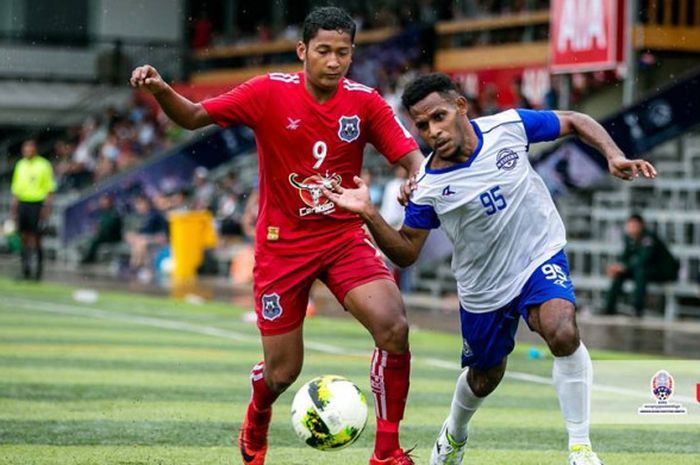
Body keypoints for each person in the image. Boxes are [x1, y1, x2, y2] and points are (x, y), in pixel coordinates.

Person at [129, 7, 424, 465]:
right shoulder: (268, 91)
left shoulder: (365, 102)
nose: (333, 62)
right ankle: (258, 409)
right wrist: (161, 88)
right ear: (302, 51)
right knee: (284, 371)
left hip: (343, 237)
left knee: (394, 327)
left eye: (343, 53)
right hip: (282, 247)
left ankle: (386, 452)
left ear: (352, 54)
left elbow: (412, 157)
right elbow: (191, 117)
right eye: (323, 51)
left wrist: (413, 178)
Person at [321, 73, 657, 465]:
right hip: (483, 287)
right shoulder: (427, 186)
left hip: (538, 254)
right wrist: (369, 213)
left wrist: (612, 154)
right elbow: (407, 253)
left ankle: (580, 448)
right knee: (485, 376)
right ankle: (455, 432)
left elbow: (575, 120)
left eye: (439, 117)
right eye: (423, 125)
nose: (433, 131)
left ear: (461, 106)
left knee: (562, 330)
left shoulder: (509, 126)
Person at [604, 214, 679, 317]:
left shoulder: (649, 238)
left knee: (641, 272)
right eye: (629, 225)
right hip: (644, 270)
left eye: (634, 225)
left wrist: (624, 267)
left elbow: (644, 259)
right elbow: (625, 257)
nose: (631, 228)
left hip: (663, 271)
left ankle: (637, 309)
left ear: (641, 225)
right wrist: (617, 267)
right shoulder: (629, 238)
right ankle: (608, 308)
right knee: (620, 274)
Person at [10, 139, 56, 280]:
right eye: (25, 149)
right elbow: (16, 189)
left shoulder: (44, 165)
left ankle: (38, 272)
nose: (27, 152)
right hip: (23, 203)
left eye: (30, 149)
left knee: (36, 238)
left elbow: (49, 189)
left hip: (37, 203)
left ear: (35, 150)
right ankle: (26, 270)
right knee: (23, 237)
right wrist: (14, 208)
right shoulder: (20, 165)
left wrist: (46, 208)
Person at [80, 193, 123, 264]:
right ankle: (88, 255)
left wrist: (99, 230)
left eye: (104, 201)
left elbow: (109, 227)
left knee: (96, 239)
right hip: (105, 234)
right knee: (89, 237)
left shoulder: (114, 213)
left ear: (109, 202)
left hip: (113, 236)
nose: (102, 203)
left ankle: (90, 258)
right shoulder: (104, 212)